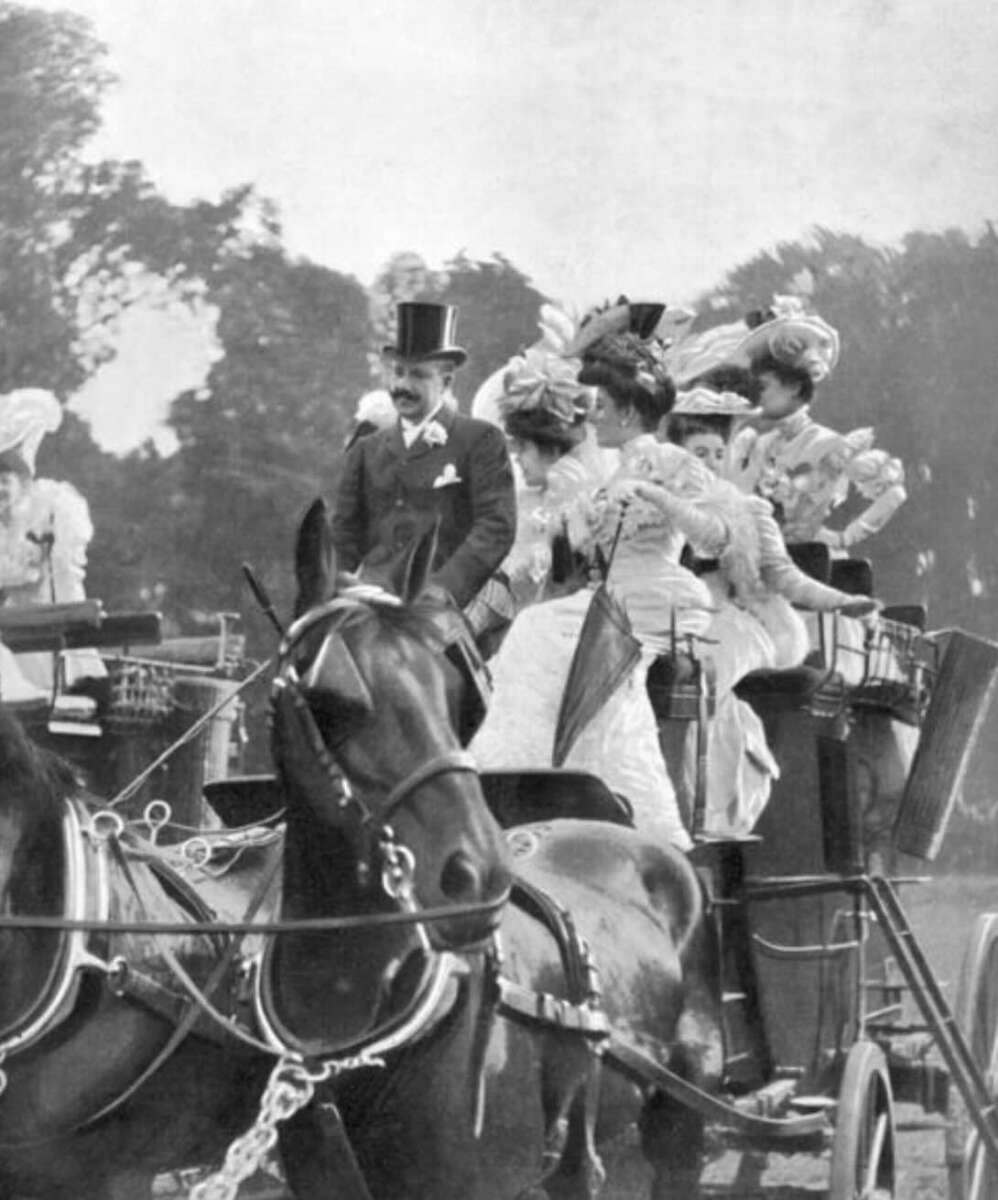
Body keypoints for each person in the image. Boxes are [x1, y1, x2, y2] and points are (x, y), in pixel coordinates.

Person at [472, 304, 730, 850]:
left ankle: (635, 813)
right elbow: (563, 554)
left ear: (632, 410)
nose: (591, 417)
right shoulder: (604, 474)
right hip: (605, 597)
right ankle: (527, 787)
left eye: (602, 406)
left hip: (658, 596)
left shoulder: (674, 464)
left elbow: (716, 538)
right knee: (533, 629)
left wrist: (659, 497)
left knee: (580, 653)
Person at [648, 386, 876, 835]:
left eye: (718, 452)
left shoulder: (748, 509)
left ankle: (689, 812)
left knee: (700, 677)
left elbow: (786, 577)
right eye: (699, 452)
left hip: (742, 617)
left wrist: (842, 601)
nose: (711, 462)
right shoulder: (654, 508)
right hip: (673, 614)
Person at [331, 302, 517, 637]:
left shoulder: (480, 440)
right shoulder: (365, 451)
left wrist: (445, 588)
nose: (403, 385)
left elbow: (496, 526)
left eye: (417, 375)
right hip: (372, 595)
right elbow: (345, 534)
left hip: (448, 595)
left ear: (445, 382)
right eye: (398, 372)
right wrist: (336, 587)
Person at [727, 298, 906, 551]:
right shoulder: (755, 442)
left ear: (794, 388)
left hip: (809, 566)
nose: (755, 396)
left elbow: (894, 494)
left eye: (763, 387)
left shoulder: (828, 444)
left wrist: (844, 538)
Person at [0, 389, 104, 697]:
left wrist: (71, 613)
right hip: (14, 621)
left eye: (4, 481)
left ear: (22, 479)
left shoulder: (50, 506)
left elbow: (64, 574)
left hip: (53, 609)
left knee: (62, 678)